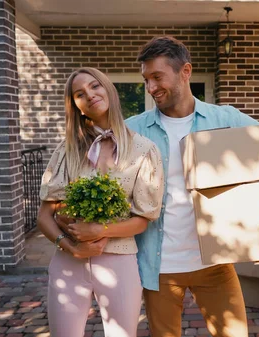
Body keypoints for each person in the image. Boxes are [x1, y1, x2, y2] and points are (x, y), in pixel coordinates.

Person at [124, 36, 259, 337]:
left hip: (214, 263)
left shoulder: (224, 118)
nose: (151, 87)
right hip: (158, 266)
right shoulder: (134, 129)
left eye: (157, 77)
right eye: (146, 80)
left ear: (185, 72)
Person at [37, 67, 164, 337]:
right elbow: (44, 216)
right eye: (80, 94)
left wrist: (100, 230)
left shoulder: (144, 150)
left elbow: (144, 219)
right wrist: (68, 244)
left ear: (109, 90)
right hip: (68, 262)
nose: (90, 95)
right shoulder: (66, 150)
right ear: (77, 107)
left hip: (119, 262)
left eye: (95, 86)